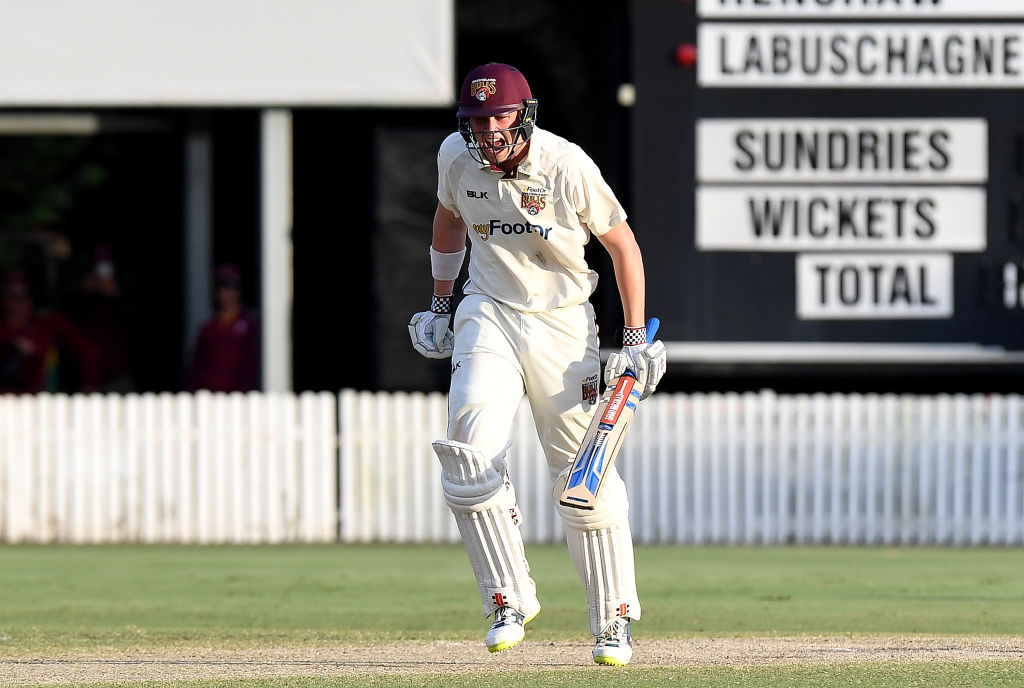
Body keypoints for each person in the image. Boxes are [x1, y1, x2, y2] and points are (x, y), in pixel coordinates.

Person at [408, 63, 666, 666]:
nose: (489, 129)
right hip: (488, 308)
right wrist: (442, 302)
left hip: (563, 320)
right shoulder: (455, 155)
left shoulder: (565, 163)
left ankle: (614, 619)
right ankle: (508, 595)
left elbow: (621, 244)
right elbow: (449, 220)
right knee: (467, 454)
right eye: (477, 118)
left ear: (524, 114)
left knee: (585, 482)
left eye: (500, 116)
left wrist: (631, 338)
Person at [0, 268, 100, 394]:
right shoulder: (3, 331)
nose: (18, 303)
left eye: (24, 296)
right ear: (3, 299)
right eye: (12, 296)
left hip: (42, 403)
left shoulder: (48, 324)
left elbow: (89, 350)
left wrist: (88, 388)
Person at [69, 245, 139, 393]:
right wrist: (86, 291)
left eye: (106, 269)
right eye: (98, 269)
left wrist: (115, 295)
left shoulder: (124, 294)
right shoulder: (81, 297)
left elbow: (135, 326)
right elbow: (70, 326)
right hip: (86, 377)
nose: (102, 275)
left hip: (118, 375)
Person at [185, 263, 260, 393]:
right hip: (210, 396)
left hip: (239, 396)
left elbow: (252, 364)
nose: (227, 293)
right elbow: (197, 365)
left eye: (232, 287)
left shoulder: (249, 324)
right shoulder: (209, 327)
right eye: (223, 288)